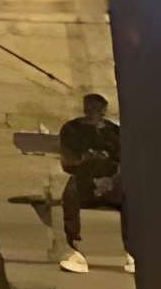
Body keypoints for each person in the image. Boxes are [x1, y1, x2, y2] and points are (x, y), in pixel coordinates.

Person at [57, 91, 134, 274]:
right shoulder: (72, 129)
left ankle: (132, 250)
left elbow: (126, 161)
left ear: (104, 110)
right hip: (85, 181)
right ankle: (74, 249)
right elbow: (68, 162)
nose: (93, 112)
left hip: (112, 182)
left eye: (98, 109)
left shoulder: (114, 132)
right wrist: (87, 164)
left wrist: (110, 179)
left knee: (131, 196)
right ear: (84, 108)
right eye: (90, 107)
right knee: (71, 191)